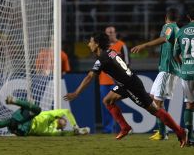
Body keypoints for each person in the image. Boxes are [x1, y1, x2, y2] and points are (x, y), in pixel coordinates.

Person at [64, 32, 188, 147]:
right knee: (107, 100)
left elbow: (89, 77)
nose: (88, 44)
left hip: (131, 86)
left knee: (155, 111)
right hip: (126, 83)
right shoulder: (111, 52)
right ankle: (125, 127)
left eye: (91, 42)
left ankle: (180, 131)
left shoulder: (102, 59)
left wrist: (76, 93)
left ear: (97, 44)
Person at [131, 8, 180, 140]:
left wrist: (144, 45)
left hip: (168, 69)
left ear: (166, 17)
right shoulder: (173, 27)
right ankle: (163, 132)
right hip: (165, 69)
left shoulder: (170, 27)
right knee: (154, 100)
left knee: (156, 103)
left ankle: (168, 132)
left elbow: (164, 38)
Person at [0, 96, 90, 136]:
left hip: (24, 130)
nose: (65, 123)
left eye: (66, 125)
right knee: (37, 109)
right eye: (65, 121)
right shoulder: (53, 115)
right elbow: (67, 112)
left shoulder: (55, 132)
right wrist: (75, 126)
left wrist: (79, 132)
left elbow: (71, 134)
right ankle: (14, 100)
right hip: (27, 117)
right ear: (60, 118)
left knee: (9, 123)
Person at [99, 26, 130, 133]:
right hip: (103, 81)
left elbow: (127, 63)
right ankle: (107, 129)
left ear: (115, 33)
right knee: (105, 105)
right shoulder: (102, 47)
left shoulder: (121, 45)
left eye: (111, 32)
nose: (110, 34)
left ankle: (116, 127)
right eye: (107, 33)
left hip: (116, 81)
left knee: (114, 104)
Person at [174, 8, 194, 145]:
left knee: (189, 104)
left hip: (186, 72)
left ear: (188, 16)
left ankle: (188, 135)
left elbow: (175, 54)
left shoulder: (181, 31)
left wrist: (184, 65)